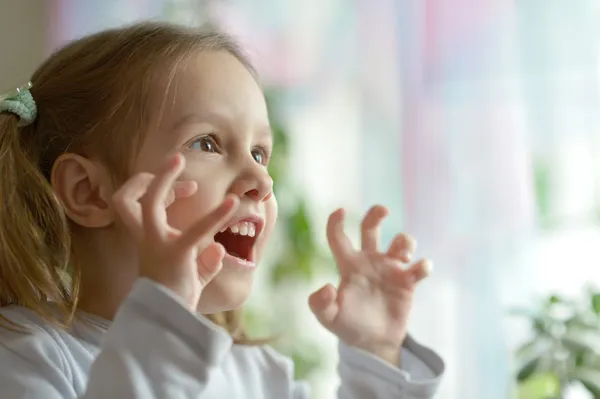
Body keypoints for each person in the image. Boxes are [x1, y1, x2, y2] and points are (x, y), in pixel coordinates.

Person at [0, 22, 444, 398]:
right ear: (89, 192)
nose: (262, 182)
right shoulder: (26, 356)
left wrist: (376, 356)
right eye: (207, 143)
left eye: (259, 152)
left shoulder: (258, 376)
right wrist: (163, 316)